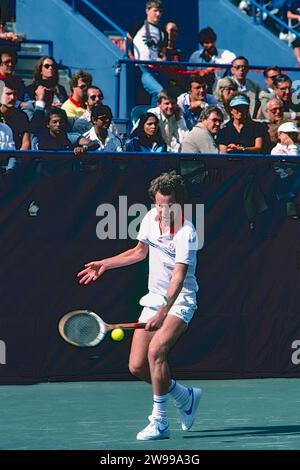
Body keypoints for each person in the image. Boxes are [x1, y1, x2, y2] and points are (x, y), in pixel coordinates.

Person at [77, 171, 202, 441]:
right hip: (155, 298)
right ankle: (184, 396)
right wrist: (105, 264)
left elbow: (179, 278)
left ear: (179, 204)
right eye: (157, 205)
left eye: (167, 206)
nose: (161, 211)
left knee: (156, 352)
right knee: (136, 366)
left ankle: (160, 422)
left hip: (180, 300)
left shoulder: (187, 233)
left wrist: (164, 311)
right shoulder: (149, 219)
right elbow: (138, 252)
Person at [133, 0, 166, 105]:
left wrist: (163, 58)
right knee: (159, 91)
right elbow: (126, 41)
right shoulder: (138, 25)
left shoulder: (161, 32)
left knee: (163, 94)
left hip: (155, 70)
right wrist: (130, 56)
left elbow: (161, 52)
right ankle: (153, 117)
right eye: (155, 10)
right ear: (147, 10)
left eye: (160, 11)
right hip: (142, 69)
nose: (158, 14)